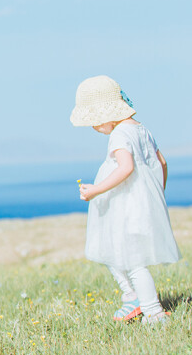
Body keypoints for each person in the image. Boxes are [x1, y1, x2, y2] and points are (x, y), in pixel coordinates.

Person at [70, 75, 180, 325]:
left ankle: (153, 311)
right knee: (113, 248)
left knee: (133, 260)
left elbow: (126, 167)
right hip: (140, 206)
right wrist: (156, 195)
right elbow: (161, 162)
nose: (93, 127)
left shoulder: (120, 134)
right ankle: (132, 295)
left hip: (126, 208)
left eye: (94, 122)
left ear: (105, 113)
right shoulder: (143, 130)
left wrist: (95, 190)